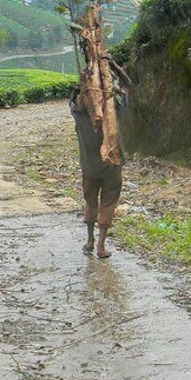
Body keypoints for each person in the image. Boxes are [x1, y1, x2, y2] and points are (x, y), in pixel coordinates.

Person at [70, 71, 128, 258]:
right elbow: (128, 88)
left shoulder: (78, 114)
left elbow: (71, 100)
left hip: (89, 169)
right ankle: (101, 246)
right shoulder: (115, 109)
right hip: (112, 166)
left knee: (90, 202)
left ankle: (90, 241)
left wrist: (78, 89)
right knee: (108, 203)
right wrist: (115, 68)